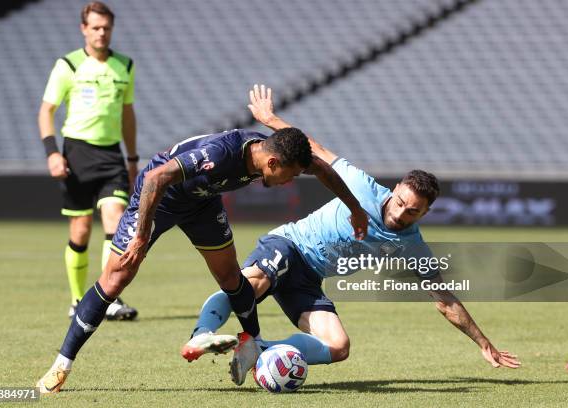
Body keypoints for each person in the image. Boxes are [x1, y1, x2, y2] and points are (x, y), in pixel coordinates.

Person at [35, 84, 369, 394]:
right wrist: (140, 238)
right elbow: (155, 177)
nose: (290, 181)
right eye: (290, 175)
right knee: (116, 278)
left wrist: (354, 208)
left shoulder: (277, 152)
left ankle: (252, 340)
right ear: (272, 162)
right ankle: (61, 365)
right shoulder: (220, 154)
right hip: (160, 197)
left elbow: (323, 168)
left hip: (203, 202)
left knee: (230, 276)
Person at [181, 86, 522, 386]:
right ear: (397, 188)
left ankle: (260, 349)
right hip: (290, 245)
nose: (401, 212)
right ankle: (202, 335)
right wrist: (271, 118)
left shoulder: (413, 245)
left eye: (412, 211)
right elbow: (313, 148)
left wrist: (483, 343)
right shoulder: (361, 185)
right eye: (401, 201)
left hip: (310, 278)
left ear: (425, 213)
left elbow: (445, 301)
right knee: (250, 286)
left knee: (338, 346)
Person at [38, 2, 138, 320]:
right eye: (95, 27)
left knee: (116, 221)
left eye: (106, 27)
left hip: (111, 155)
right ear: (84, 29)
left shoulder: (125, 65)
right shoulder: (68, 65)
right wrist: (53, 152)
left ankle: (109, 298)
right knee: (80, 230)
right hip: (77, 153)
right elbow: (46, 111)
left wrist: (132, 157)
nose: (101, 33)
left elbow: (127, 114)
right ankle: (77, 298)